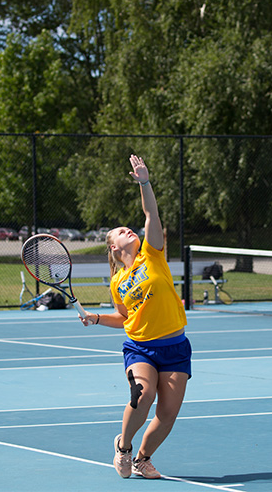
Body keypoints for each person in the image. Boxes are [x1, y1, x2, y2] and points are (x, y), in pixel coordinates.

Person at [76, 155, 190, 480]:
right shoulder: (117, 282)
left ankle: (143, 457)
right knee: (144, 394)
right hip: (140, 348)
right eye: (120, 232)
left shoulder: (152, 255)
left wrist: (144, 181)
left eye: (128, 228)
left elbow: (150, 213)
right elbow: (124, 317)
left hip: (175, 346)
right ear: (113, 248)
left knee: (167, 414)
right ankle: (124, 447)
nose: (128, 230)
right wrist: (98, 318)